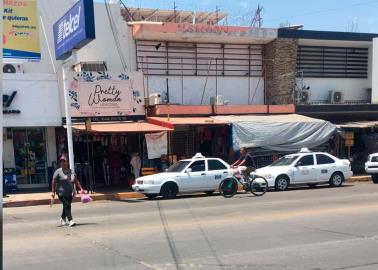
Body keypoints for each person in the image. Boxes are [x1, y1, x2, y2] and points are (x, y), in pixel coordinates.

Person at [51, 155, 84, 227]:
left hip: (69, 193)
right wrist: (53, 192)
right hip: (61, 193)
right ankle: (70, 220)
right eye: (61, 162)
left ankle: (62, 218)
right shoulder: (58, 171)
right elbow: (53, 181)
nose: (62, 163)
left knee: (66, 206)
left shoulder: (71, 171)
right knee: (67, 205)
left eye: (64, 161)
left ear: (67, 162)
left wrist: (81, 188)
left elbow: (76, 181)